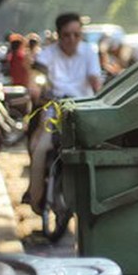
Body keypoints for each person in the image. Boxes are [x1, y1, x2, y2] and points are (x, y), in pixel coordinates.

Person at [26, 13, 102, 211]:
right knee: (39, 148)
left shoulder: (89, 52)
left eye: (77, 35)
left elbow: (96, 82)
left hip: (84, 114)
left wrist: (100, 97)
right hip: (54, 112)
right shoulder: (47, 55)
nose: (72, 40)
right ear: (59, 35)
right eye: (67, 35)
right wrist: (35, 87)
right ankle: (36, 197)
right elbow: (36, 78)